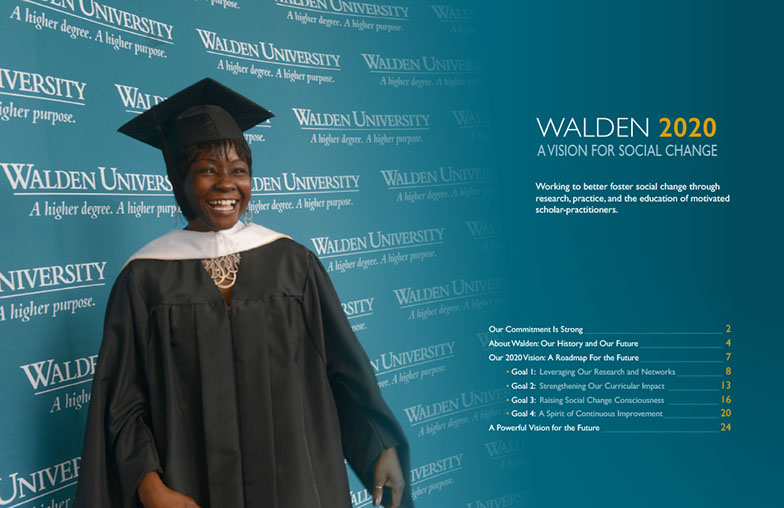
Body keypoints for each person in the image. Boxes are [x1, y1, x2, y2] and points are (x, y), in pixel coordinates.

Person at [74, 78, 413, 508]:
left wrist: (379, 445)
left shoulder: (293, 264)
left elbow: (343, 369)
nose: (226, 184)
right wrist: (150, 487)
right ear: (179, 179)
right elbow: (123, 402)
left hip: (296, 486)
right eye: (207, 170)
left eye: (238, 170)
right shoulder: (145, 279)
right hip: (191, 489)